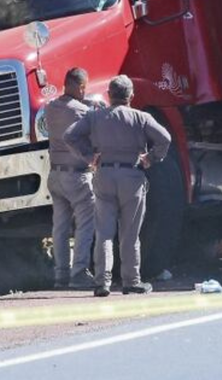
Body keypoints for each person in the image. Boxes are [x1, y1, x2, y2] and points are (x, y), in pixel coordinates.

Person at [62, 75, 171, 297]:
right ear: (131, 95)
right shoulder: (142, 118)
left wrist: (89, 157)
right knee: (130, 234)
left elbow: (69, 135)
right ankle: (132, 281)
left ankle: (102, 282)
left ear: (109, 95)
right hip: (132, 176)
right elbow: (165, 139)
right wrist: (151, 158)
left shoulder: (95, 117)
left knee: (104, 233)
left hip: (104, 175)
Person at [43, 68, 97, 289]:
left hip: (55, 175)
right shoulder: (82, 112)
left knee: (60, 227)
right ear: (78, 86)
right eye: (83, 87)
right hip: (76, 176)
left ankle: (61, 275)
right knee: (85, 223)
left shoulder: (50, 108)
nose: (85, 92)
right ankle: (80, 272)